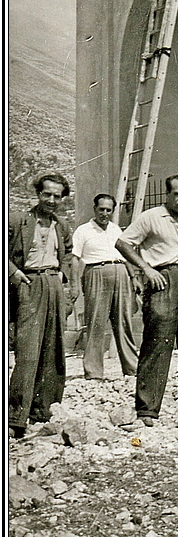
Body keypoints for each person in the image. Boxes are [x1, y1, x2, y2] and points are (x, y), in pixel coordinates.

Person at [114, 174, 178, 427]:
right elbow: (123, 243)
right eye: (177, 194)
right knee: (157, 344)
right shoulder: (151, 217)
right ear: (167, 194)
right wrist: (147, 269)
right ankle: (147, 410)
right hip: (163, 280)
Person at [9, 172, 74, 438]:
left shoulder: (62, 225)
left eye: (56, 196)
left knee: (53, 349)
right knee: (28, 351)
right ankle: (16, 417)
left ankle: (42, 410)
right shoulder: (17, 220)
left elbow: (68, 253)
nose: (51, 200)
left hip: (53, 284)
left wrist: (63, 276)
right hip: (29, 283)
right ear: (37, 194)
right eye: (46, 194)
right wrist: (12, 272)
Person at [71, 194, 138, 381]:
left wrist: (133, 277)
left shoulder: (116, 229)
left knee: (124, 322)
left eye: (109, 210)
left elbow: (126, 255)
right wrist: (75, 285)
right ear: (95, 209)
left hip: (121, 272)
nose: (105, 213)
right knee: (96, 323)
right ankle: (93, 372)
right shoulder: (83, 231)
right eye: (102, 209)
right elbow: (75, 259)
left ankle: (132, 369)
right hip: (96, 273)